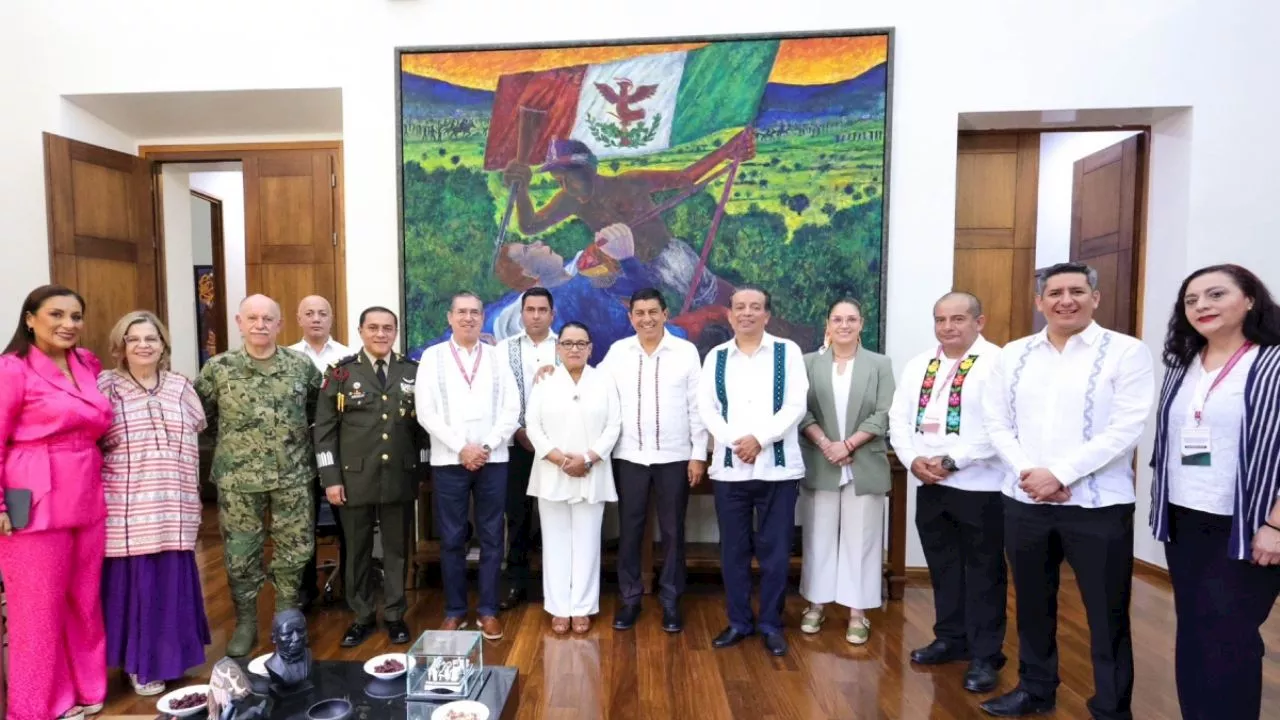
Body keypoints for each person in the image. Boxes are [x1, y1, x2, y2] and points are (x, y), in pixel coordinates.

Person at [981, 262, 1154, 719]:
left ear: (1095, 298)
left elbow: (1127, 428)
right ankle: (1036, 690)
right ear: (1040, 302)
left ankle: (1112, 707)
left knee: (1107, 613)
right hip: (1024, 502)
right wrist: (1030, 474)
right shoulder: (1013, 354)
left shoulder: (1126, 352)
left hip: (1097, 506)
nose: (1065, 300)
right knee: (1033, 605)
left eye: (1077, 291)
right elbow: (996, 423)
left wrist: (1059, 473)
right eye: (1054, 292)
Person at [1148, 264, 1280, 720]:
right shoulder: (1183, 364)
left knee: (1230, 638)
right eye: (1191, 300)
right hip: (1186, 518)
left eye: (1215, 294)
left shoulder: (1273, 361)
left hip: (1250, 522)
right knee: (1195, 633)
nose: (1201, 305)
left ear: (1249, 300)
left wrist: (1276, 523)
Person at [0, 285, 113, 720]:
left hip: (86, 494)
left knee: (84, 601)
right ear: (30, 318)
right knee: (36, 611)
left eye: (76, 316)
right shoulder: (12, 369)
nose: (68, 324)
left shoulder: (87, 363)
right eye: (56, 315)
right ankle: (36, 707)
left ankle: (86, 688)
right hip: (33, 502)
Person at [888, 292, 1007, 693]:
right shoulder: (920, 364)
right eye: (941, 319)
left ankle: (986, 655)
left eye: (958, 319)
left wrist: (952, 461)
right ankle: (951, 638)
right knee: (944, 566)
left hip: (980, 486)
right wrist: (912, 460)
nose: (948, 327)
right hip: (931, 485)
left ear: (980, 321)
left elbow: (1001, 428)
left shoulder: (998, 364)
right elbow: (898, 418)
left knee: (984, 572)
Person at [195, 294, 322, 657]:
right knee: (240, 554)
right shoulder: (218, 369)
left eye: (268, 318)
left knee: (296, 550)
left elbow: (316, 410)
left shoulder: (301, 367)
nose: (260, 325)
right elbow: (203, 418)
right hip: (238, 481)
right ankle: (247, 621)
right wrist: (238, 448)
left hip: (293, 476)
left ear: (280, 324)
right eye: (252, 318)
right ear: (239, 322)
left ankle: (286, 618)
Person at [97, 311, 210, 696]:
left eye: (151, 338)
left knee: (171, 584)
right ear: (121, 346)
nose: (143, 345)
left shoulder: (180, 387)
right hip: (129, 509)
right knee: (139, 587)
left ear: (163, 345)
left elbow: (196, 431)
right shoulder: (105, 387)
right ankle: (139, 666)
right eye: (134, 339)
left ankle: (171, 660)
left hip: (176, 505)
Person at [504, 135, 754, 309]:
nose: (565, 187)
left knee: (715, 298)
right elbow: (530, 226)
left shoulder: (630, 182)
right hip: (631, 273)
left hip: (668, 258)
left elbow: (686, 178)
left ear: (588, 170)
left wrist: (730, 150)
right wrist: (522, 190)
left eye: (569, 178)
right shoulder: (571, 201)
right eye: (559, 181)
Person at [696, 285, 808, 657]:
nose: (747, 313)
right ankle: (739, 621)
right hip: (730, 473)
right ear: (729, 314)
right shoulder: (716, 356)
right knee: (734, 551)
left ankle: (772, 624)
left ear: (766, 315)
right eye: (740, 307)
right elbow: (707, 408)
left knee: (776, 553)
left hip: (777, 472)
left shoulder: (787, 352)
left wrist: (759, 438)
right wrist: (733, 441)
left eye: (755, 307)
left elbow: (795, 405)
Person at [313, 306, 428, 647]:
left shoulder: (413, 371)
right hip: (353, 480)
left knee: (396, 551)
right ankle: (361, 616)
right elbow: (324, 431)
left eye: (387, 328)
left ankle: (394, 615)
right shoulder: (340, 375)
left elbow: (424, 428)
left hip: (399, 477)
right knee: (357, 551)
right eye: (373, 328)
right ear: (361, 331)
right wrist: (330, 478)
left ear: (395, 332)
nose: (381, 334)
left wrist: (419, 473)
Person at [415, 292, 520, 640]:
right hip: (449, 460)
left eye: (475, 312)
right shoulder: (432, 358)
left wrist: (485, 447)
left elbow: (511, 408)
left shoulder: (497, 356)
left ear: (482, 317)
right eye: (462, 312)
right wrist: (462, 448)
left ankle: (488, 610)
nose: (469, 318)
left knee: (492, 537)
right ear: (450, 317)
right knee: (452, 539)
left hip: (493, 459)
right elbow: (426, 411)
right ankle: (455, 611)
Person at [602, 288, 707, 633]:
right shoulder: (618, 352)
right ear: (630, 317)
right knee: (630, 531)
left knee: (674, 530)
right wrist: (551, 372)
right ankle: (630, 600)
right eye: (639, 313)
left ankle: (671, 601)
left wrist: (697, 455)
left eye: (652, 312)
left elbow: (698, 408)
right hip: (630, 456)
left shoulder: (686, 352)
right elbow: (594, 387)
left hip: (674, 457)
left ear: (665, 313)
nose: (646, 318)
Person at [797, 298, 895, 645]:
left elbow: (884, 412)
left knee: (862, 539)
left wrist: (848, 444)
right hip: (820, 461)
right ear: (827, 324)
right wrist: (827, 444)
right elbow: (801, 411)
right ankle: (816, 604)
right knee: (818, 537)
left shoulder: (879, 364)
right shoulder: (808, 364)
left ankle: (858, 612)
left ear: (861, 324)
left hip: (863, 462)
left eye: (851, 319)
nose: (844, 325)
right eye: (837, 319)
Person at [523, 322, 621, 634]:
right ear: (559, 348)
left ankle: (582, 607)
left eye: (581, 343)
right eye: (568, 344)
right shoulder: (545, 381)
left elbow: (614, 426)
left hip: (592, 472)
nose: (574, 349)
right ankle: (558, 607)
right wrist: (560, 459)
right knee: (554, 542)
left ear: (591, 348)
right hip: (553, 472)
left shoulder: (605, 381)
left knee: (588, 542)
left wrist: (588, 458)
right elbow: (533, 425)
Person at [496, 288, 558, 611]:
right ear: (521, 314)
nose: (535, 315)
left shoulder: (567, 347)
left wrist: (546, 439)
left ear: (552, 314)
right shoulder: (502, 350)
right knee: (517, 515)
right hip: (516, 443)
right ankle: (516, 582)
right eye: (530, 309)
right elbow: (497, 396)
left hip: (557, 449)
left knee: (555, 515)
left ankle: (556, 585)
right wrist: (519, 430)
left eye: (542, 309)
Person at [288, 295, 350, 610]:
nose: (316, 318)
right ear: (298, 318)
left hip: (341, 453)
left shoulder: (347, 357)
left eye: (322, 313)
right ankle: (304, 590)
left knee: (347, 522)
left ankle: (351, 585)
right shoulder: (286, 357)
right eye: (309, 313)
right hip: (296, 456)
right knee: (302, 523)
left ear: (331, 318)